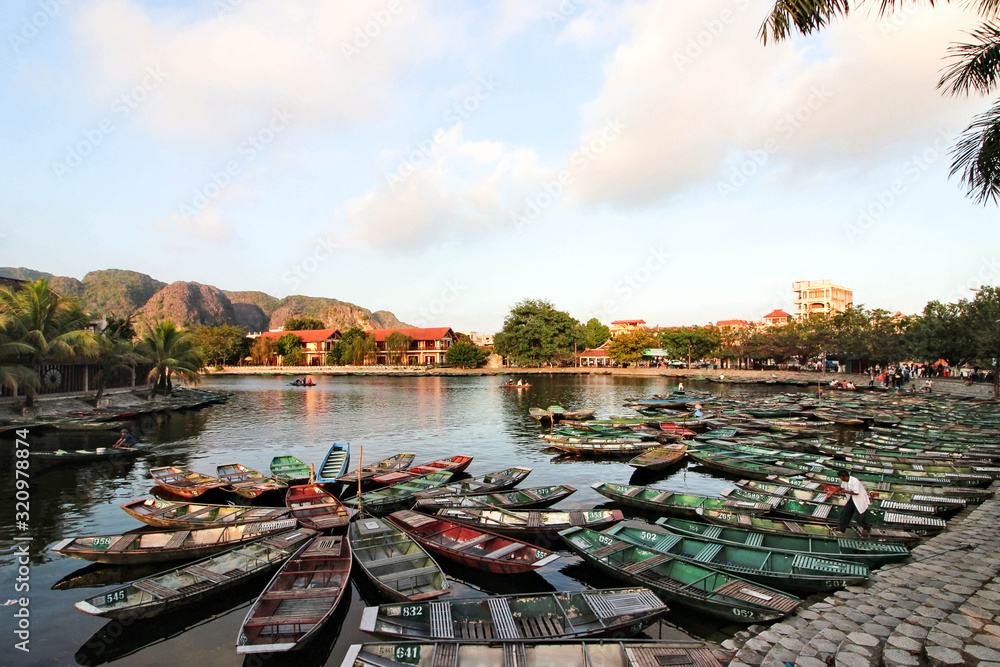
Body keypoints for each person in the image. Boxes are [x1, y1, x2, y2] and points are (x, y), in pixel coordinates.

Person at [834, 470, 870, 534]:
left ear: (844, 477)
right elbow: (841, 487)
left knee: (858, 517)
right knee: (845, 513)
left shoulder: (855, 481)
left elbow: (856, 492)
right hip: (852, 499)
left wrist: (845, 491)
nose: (841, 479)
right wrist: (832, 492)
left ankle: (866, 527)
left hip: (859, 499)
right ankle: (841, 528)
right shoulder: (845, 481)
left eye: (841, 477)